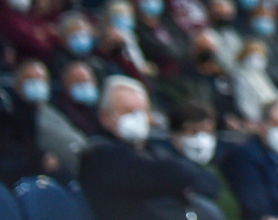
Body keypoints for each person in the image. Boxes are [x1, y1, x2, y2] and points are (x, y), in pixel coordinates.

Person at [80, 75, 222, 220]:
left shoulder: (154, 151)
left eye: (142, 112)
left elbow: (209, 183)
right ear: (105, 117)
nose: (137, 118)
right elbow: (159, 175)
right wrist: (182, 178)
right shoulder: (100, 155)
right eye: (127, 111)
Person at [0, 58, 61, 182]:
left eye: (40, 80)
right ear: (17, 85)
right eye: (30, 79)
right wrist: (40, 159)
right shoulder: (5, 119)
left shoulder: (54, 113)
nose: (37, 84)